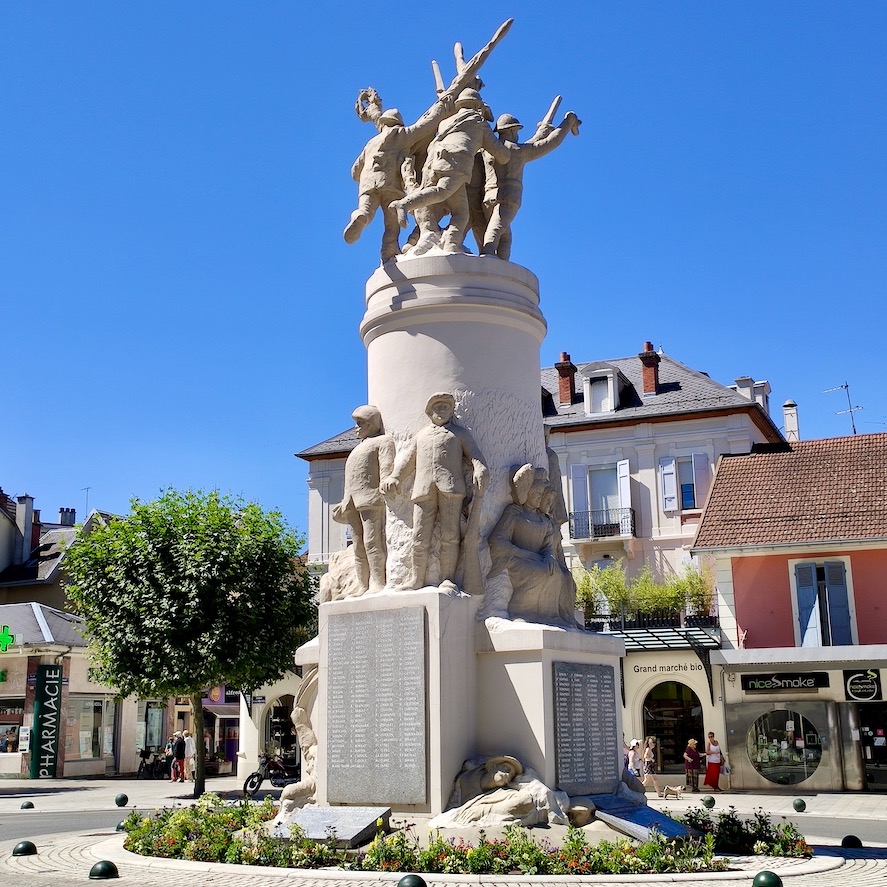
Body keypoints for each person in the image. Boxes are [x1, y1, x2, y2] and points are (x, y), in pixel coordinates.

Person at [382, 393, 488, 589]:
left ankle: (448, 578)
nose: (441, 411)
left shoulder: (459, 434)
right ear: (429, 412)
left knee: (450, 535)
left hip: (451, 488)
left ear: (452, 411)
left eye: (446, 407)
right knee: (419, 536)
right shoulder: (421, 435)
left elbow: (475, 455)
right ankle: (416, 579)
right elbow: (408, 459)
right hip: (423, 489)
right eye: (437, 407)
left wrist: (480, 467)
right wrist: (395, 476)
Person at [390, 88, 511, 254]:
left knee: (461, 213)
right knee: (441, 193)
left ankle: (451, 244)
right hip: (456, 165)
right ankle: (404, 204)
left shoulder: (446, 122)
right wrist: (511, 149)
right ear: (477, 105)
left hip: (434, 163)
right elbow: (502, 156)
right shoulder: (478, 122)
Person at [480, 108, 580, 260]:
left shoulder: (488, 149)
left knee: (505, 236)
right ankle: (487, 255)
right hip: (508, 197)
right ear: (513, 131)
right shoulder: (520, 151)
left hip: (488, 197)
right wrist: (567, 123)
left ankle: (502, 265)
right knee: (497, 228)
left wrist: (542, 130)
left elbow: (534, 141)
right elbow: (550, 143)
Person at [331, 405, 395, 593]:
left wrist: (384, 487)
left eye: (360, 423)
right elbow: (350, 480)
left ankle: (377, 581)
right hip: (351, 502)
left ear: (372, 424)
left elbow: (386, 467)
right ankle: (362, 583)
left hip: (370, 499)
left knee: (372, 541)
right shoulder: (358, 448)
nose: (356, 427)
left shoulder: (383, 441)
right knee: (358, 545)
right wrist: (344, 500)